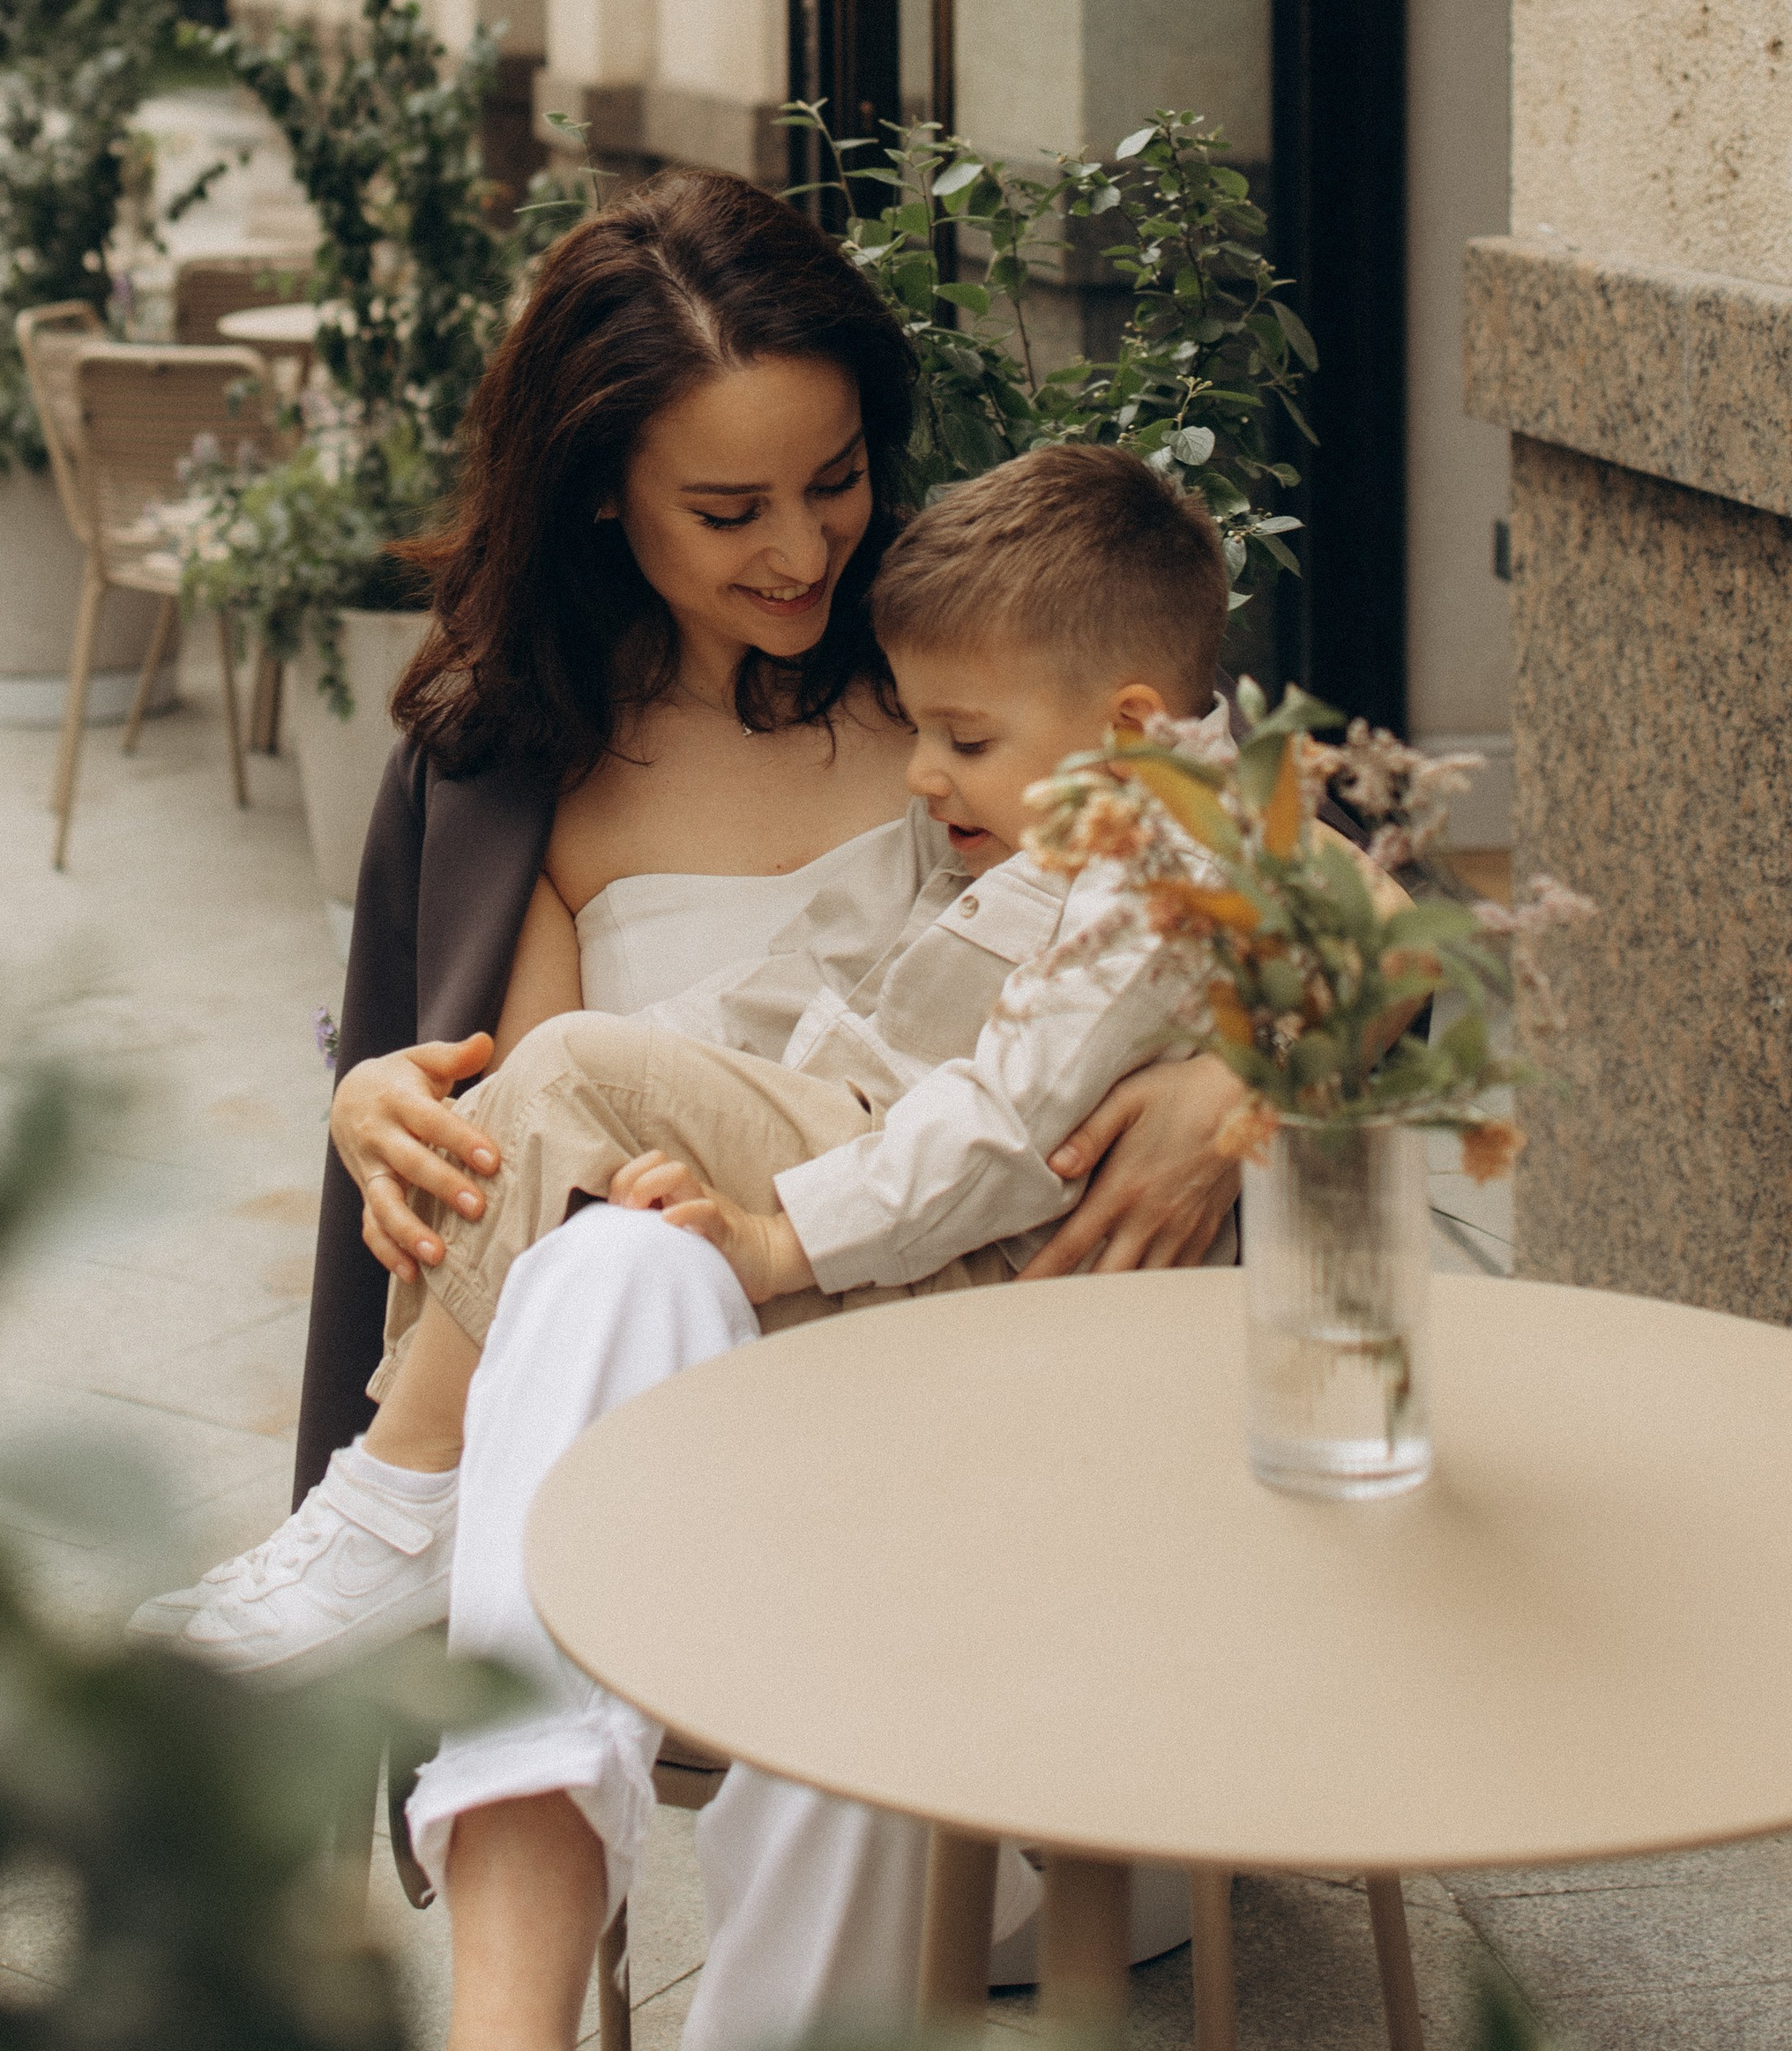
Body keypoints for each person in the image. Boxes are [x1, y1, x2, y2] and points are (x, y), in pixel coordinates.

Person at [127, 171, 1256, 2051]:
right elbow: (515, 1136)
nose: (802, 546)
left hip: (992, 1467)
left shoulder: (986, 658)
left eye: (833, 477)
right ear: (597, 495)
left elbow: (1310, 890)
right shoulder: (507, 766)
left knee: (720, 1388)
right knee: (602, 1280)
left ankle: (404, 1545)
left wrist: (1248, 1079)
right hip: (696, 1471)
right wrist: (369, 1091)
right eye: (726, 507)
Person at [181, 444, 1236, 1661]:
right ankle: (423, 1491)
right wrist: (629, 1092)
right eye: (730, 507)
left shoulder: (1161, 881)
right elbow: (808, 976)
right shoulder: (1010, 807)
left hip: (984, 1262)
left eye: (962, 740)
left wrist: (778, 1239)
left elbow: (999, 1134)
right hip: (867, 1178)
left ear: (1131, 729)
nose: (921, 769)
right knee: (566, 1086)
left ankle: (409, 1496)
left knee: (575, 1084)